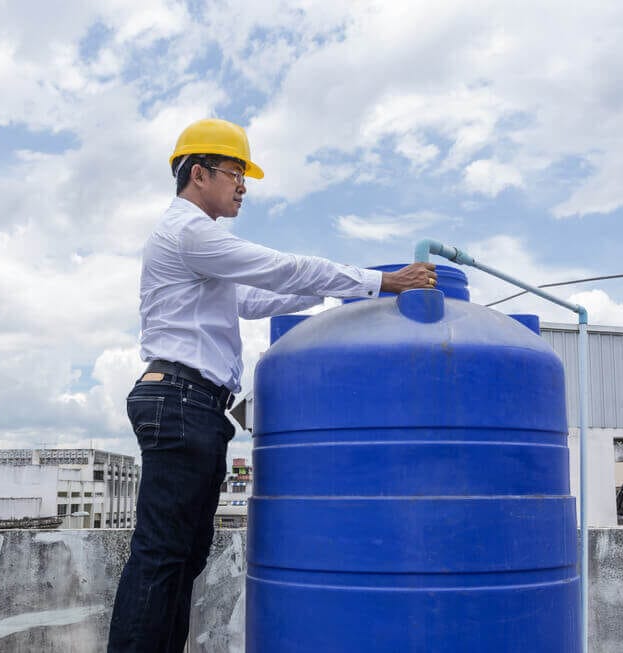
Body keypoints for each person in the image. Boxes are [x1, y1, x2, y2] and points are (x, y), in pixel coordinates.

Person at [107, 118, 435, 652]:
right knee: (163, 554)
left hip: (193, 405)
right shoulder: (191, 233)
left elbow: (252, 300)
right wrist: (379, 282)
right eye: (235, 173)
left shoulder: (197, 247)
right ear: (198, 173)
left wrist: (342, 297)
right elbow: (280, 269)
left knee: (184, 555)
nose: (242, 186)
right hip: (180, 401)